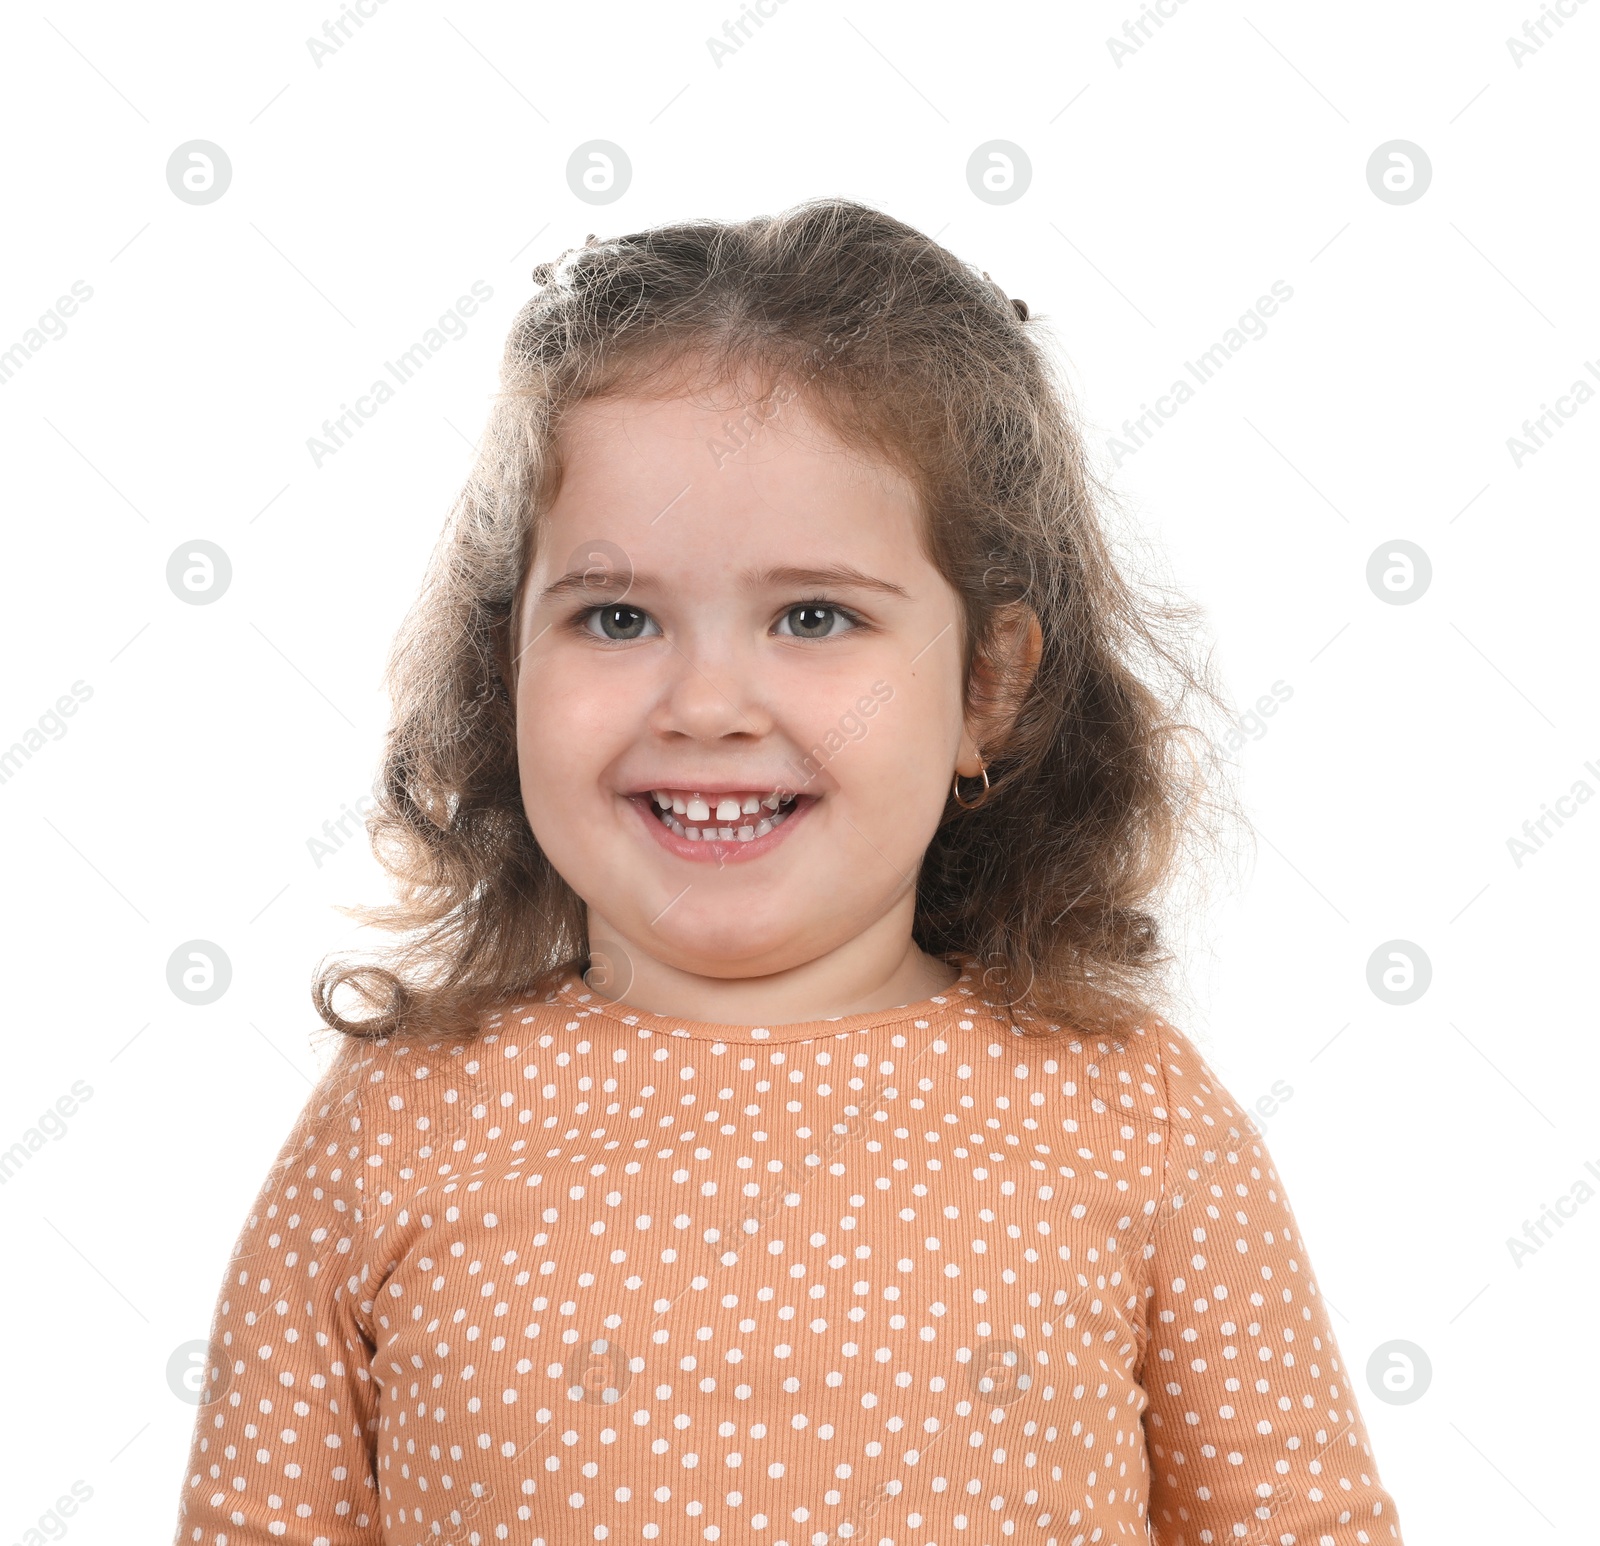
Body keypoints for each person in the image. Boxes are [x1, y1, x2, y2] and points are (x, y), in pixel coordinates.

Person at [173, 198, 1405, 1545]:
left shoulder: (1134, 1118)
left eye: (814, 615)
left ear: (985, 687)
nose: (708, 703)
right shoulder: (399, 1123)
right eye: (617, 615)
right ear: (505, 663)